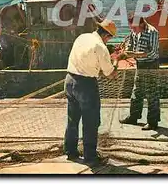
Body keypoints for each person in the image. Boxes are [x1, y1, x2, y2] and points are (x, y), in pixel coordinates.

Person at [64, 19, 120, 167]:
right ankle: (90, 157)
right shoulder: (100, 47)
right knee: (91, 122)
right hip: (86, 85)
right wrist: (116, 60)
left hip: (69, 80)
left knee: (72, 120)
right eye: (109, 38)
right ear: (107, 36)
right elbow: (110, 74)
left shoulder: (82, 37)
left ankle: (70, 152)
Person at [119, 14, 160, 130]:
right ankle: (134, 117)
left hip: (151, 64)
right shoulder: (134, 31)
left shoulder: (153, 32)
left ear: (141, 24)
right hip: (140, 64)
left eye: (135, 28)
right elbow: (131, 45)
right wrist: (126, 51)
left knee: (152, 92)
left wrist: (135, 54)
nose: (133, 30)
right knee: (137, 91)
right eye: (131, 28)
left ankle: (153, 122)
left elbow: (152, 52)